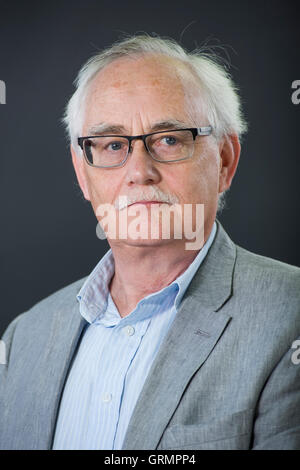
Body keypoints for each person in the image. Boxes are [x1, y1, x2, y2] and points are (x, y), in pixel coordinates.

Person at [0, 34, 299, 450]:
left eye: (170, 139)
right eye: (111, 145)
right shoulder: (22, 339)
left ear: (225, 161)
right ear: (83, 173)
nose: (140, 172)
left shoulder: (290, 316)